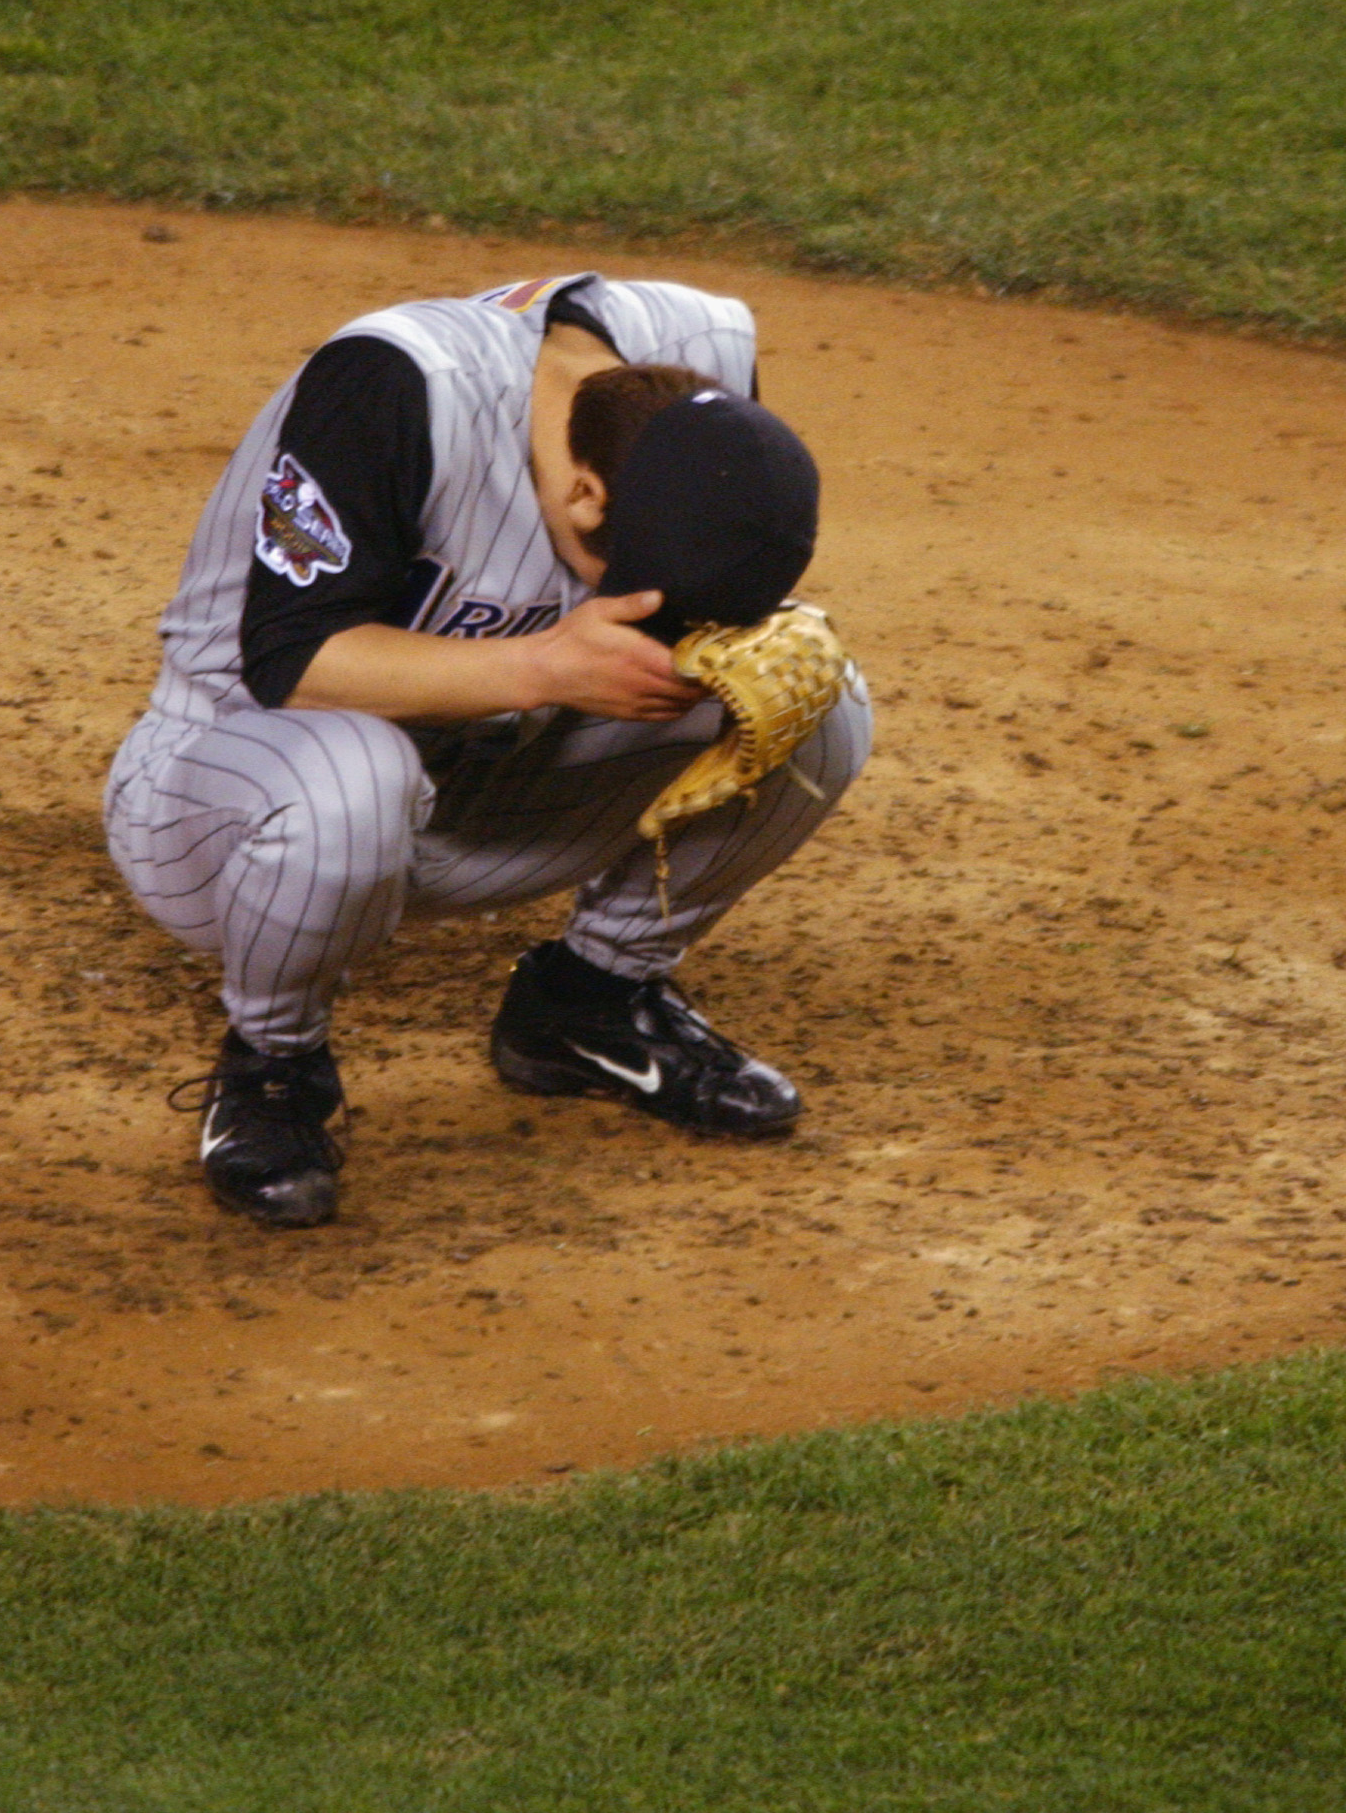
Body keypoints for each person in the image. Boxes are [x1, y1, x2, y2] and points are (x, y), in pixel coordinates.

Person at [104, 270, 872, 1224]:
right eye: (619, 575)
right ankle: (273, 1066)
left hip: (499, 778)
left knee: (819, 708)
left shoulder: (700, 351)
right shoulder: (396, 384)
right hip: (231, 789)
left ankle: (588, 1004)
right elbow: (288, 658)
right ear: (586, 491)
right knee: (357, 775)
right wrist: (547, 670)